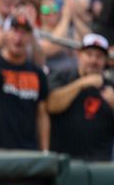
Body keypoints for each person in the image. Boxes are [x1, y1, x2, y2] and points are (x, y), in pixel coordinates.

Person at [0, 14, 49, 150]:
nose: (18, 37)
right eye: (14, 31)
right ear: (5, 35)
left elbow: (42, 115)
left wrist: (44, 151)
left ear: (30, 38)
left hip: (28, 150)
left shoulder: (37, 72)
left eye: (24, 32)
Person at [46, 33, 114, 161]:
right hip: (64, 161)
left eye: (99, 56)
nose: (93, 61)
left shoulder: (110, 87)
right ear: (79, 55)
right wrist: (81, 84)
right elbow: (52, 106)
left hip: (100, 164)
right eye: (89, 54)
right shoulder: (62, 77)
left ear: (105, 61)